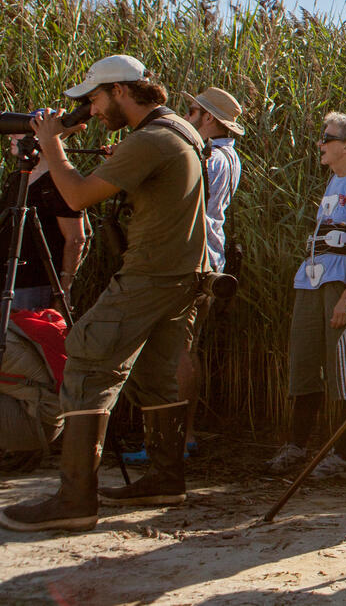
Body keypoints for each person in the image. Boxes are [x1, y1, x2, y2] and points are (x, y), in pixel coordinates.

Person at [1, 55, 207, 531]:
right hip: (185, 275)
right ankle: (164, 478)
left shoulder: (150, 139)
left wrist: (52, 145)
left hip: (151, 275)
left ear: (118, 91)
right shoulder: (177, 131)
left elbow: (75, 197)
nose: (91, 110)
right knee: (156, 377)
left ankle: (75, 500)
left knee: (87, 359)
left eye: (93, 99)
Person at [266, 112, 346, 481]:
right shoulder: (334, 182)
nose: (320, 144)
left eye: (327, 137)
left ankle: (345, 456)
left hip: (343, 284)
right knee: (304, 366)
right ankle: (297, 447)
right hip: (312, 282)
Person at [128, 86, 243, 462]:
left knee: (178, 349)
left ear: (208, 119)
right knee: (180, 347)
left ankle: (178, 439)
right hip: (204, 261)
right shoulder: (224, 156)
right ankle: (176, 438)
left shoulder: (211, 158)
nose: (186, 116)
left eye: (192, 111)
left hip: (193, 263)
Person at [2, 134, 86, 313]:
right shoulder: (18, 176)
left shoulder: (58, 181)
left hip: (34, 283)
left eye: (19, 131)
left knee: (23, 338)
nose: (11, 136)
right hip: (8, 279)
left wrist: (62, 290)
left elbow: (76, 239)